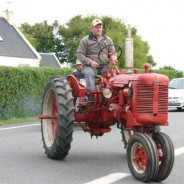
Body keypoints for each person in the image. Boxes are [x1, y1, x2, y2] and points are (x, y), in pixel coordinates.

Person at [77, 18, 116, 94]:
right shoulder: (85, 40)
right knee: (89, 73)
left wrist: (113, 58)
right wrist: (90, 62)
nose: (98, 29)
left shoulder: (108, 40)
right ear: (92, 29)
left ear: (102, 29)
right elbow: (79, 54)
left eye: (100, 27)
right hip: (90, 66)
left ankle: (110, 95)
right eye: (96, 27)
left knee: (113, 74)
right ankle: (91, 95)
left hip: (105, 66)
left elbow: (113, 53)